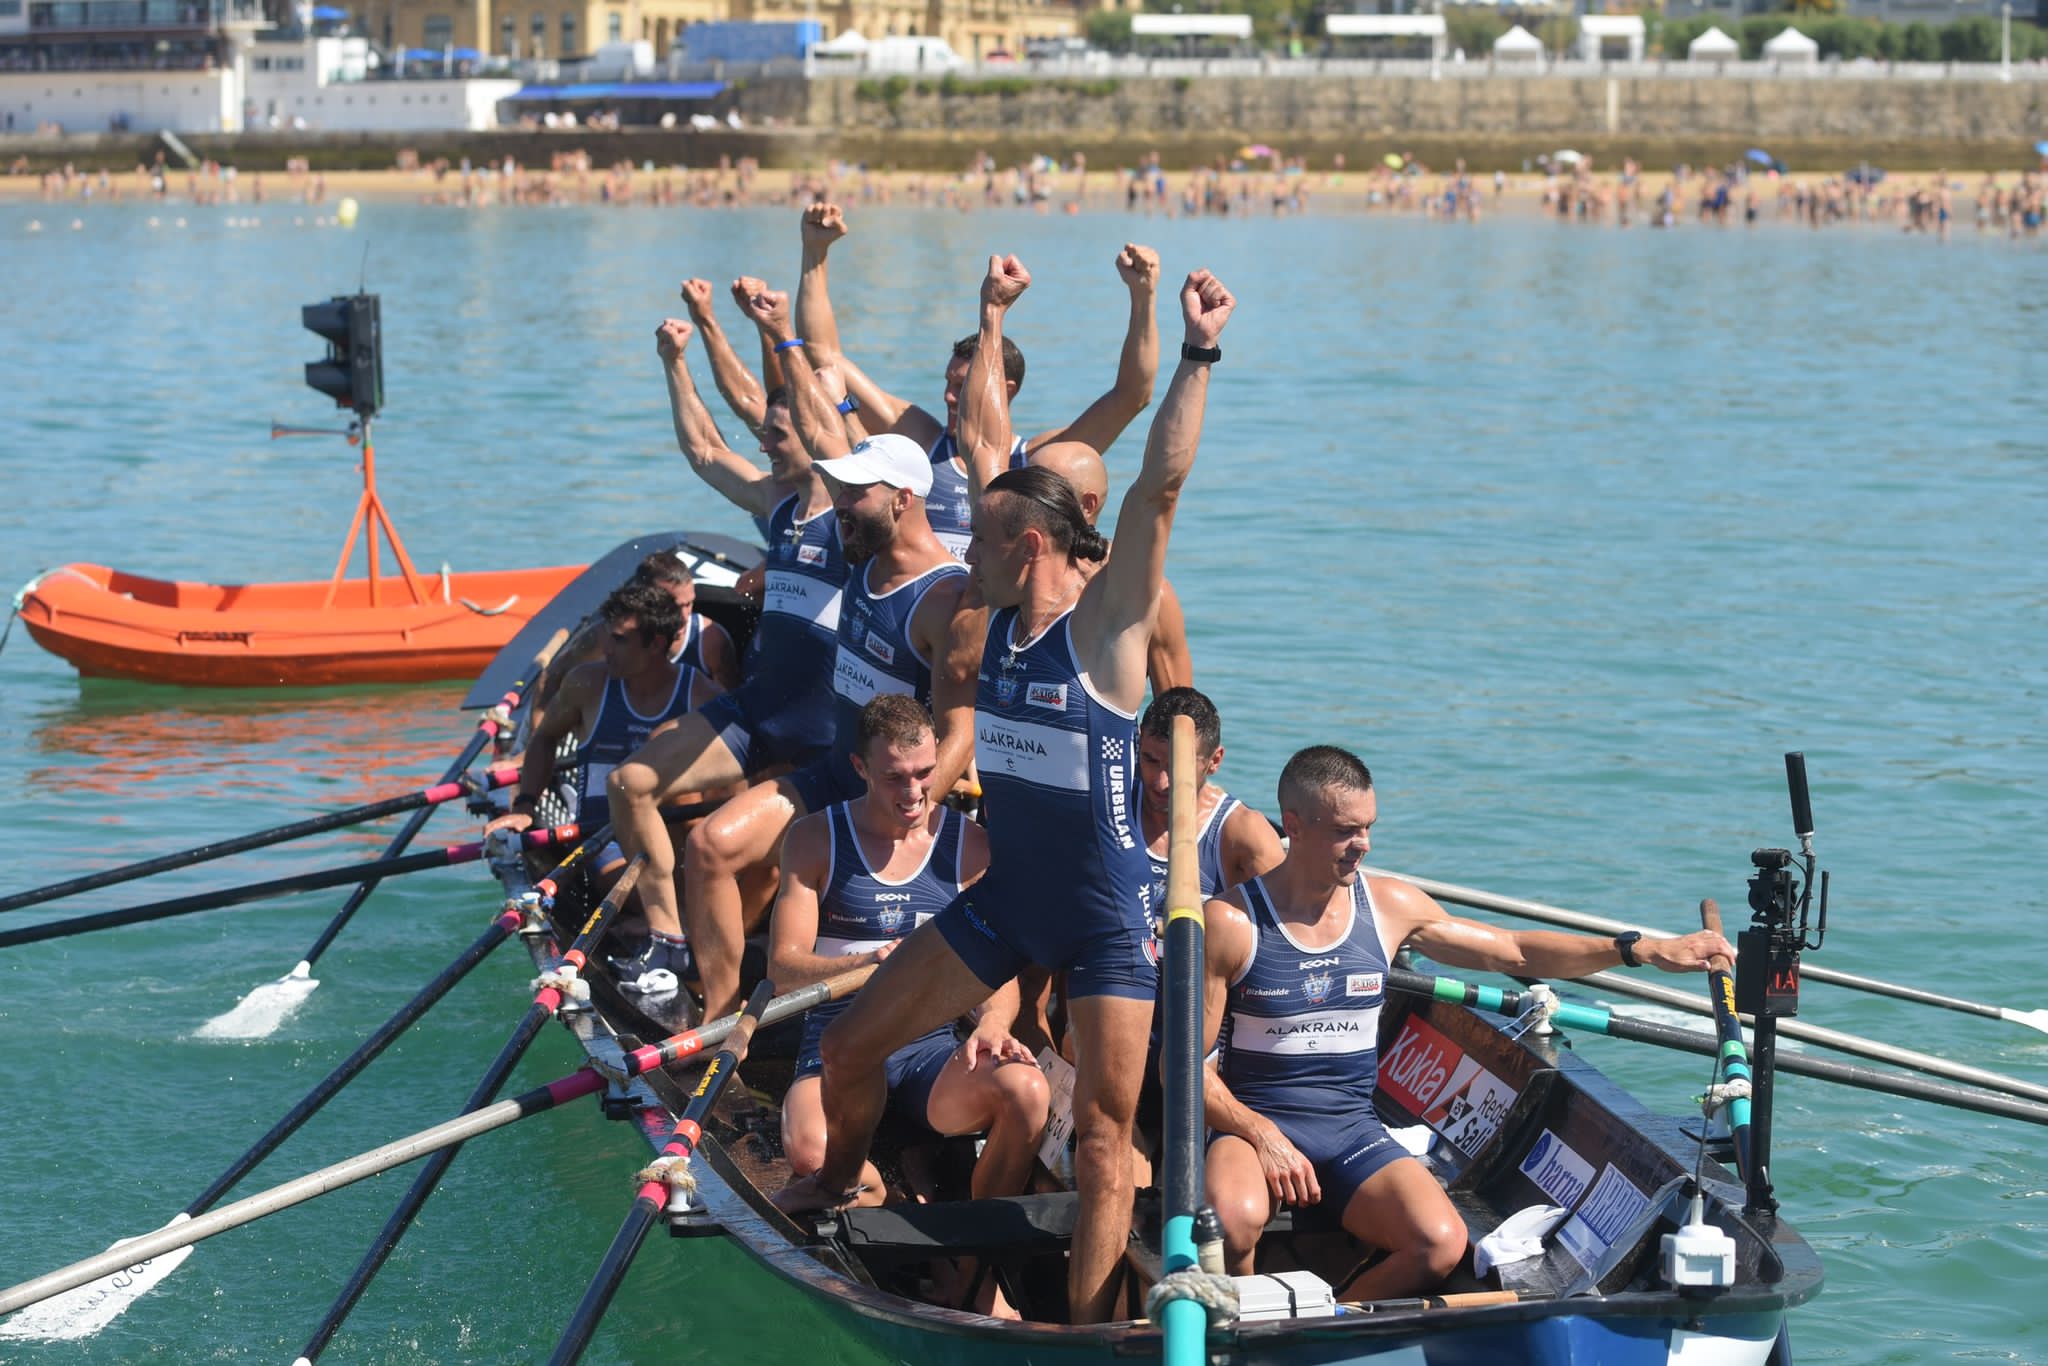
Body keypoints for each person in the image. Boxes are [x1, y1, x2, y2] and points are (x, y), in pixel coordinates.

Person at [783, 260, 1237, 1329]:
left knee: (1104, 1140)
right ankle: (839, 1187)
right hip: (1008, 902)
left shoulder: (1105, 626)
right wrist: (990, 317)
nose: (960, 555)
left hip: (1106, 918)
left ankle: (1082, 1331)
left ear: (1027, 546)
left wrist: (1196, 351)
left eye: (978, 543)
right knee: (847, 1047)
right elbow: (985, 428)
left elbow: (1158, 488)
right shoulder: (991, 614)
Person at [1198, 745, 1734, 1298]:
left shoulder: (1388, 906)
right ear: (1292, 825)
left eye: (1369, 827)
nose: (1364, 844)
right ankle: (1242, 1321)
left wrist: (1640, 949)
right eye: (1345, 830)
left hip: (1351, 1129)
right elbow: (1185, 1070)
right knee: (1232, 1224)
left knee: (1440, 1243)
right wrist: (1262, 1133)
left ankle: (1324, 1326)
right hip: (1253, 1124)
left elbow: (1515, 951)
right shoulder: (1231, 922)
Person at [680, 430, 983, 1019]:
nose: (839, 502)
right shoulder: (861, 559)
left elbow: (960, 730)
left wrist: (911, 811)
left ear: (903, 500)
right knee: (708, 846)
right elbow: (814, 419)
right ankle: (719, 1017)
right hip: (832, 773)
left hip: (890, 797)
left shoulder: (943, 600)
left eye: (855, 492)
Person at [606, 317, 849, 994]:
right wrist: (673, 361)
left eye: (779, 433)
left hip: (829, 739)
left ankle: (731, 991)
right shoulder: (780, 505)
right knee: (630, 784)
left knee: (746, 858)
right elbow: (705, 450)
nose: (764, 442)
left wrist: (787, 340)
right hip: (761, 712)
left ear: (818, 435)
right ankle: (669, 940)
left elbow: (836, 433)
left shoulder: (853, 516)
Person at [771, 695, 1047, 1212]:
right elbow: (784, 969)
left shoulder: (971, 847)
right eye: (895, 777)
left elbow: (999, 970)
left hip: (928, 1053)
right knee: (811, 1153)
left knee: (1028, 1092)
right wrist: (868, 963)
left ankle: (982, 1237)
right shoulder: (814, 840)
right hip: (835, 1046)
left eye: (924, 773)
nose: (914, 792)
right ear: (860, 767)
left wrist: (994, 1022)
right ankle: (883, 1192)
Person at [794, 202, 1162, 559]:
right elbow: (825, 356)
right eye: (947, 383)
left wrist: (1143, 296)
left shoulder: (1037, 462)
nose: (948, 397)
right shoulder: (924, 440)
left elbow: (1132, 396)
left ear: (1006, 391)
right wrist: (815, 254)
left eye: (961, 387)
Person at [485, 580, 721, 842]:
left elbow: (735, 770)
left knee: (683, 796)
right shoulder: (587, 684)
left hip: (675, 838)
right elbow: (545, 738)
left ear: (655, 644)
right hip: (599, 841)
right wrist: (525, 805)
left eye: (619, 640)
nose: (606, 649)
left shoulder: (700, 695)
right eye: (608, 636)